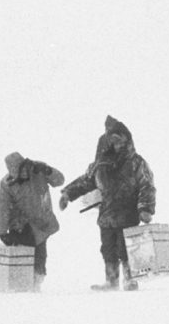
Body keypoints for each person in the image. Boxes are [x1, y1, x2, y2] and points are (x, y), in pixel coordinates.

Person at [59, 116, 156, 292]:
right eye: (112, 141)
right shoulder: (101, 164)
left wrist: (145, 208)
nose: (116, 144)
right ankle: (111, 281)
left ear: (127, 140)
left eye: (119, 140)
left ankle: (129, 280)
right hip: (107, 215)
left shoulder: (137, 162)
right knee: (108, 250)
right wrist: (68, 193)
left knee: (126, 249)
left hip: (128, 214)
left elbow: (147, 186)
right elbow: (86, 181)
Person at [0, 152, 66, 291]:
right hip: (21, 225)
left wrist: (49, 171)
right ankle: (22, 284)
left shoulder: (39, 171)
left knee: (40, 254)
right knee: (25, 253)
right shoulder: (7, 184)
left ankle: (36, 283)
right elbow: (2, 209)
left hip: (42, 223)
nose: (23, 173)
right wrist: (2, 232)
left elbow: (59, 181)